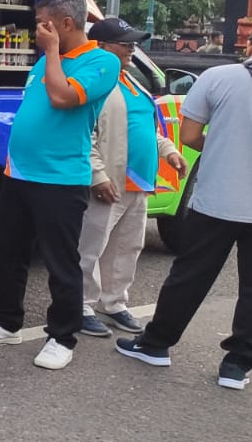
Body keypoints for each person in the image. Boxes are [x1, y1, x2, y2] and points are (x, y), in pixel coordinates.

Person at [118, 22, 252, 390]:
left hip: (217, 202)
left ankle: (156, 345)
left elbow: (191, 136)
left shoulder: (219, 77)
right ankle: (236, 366)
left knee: (190, 275)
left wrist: (227, 147)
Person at [0, 0, 121, 370]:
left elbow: (62, 99)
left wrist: (54, 53)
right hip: (19, 173)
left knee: (61, 261)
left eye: (44, 23)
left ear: (66, 23)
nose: (37, 30)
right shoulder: (45, 61)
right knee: (10, 252)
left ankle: (62, 336)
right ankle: (7, 320)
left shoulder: (102, 62)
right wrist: (51, 56)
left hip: (60, 178)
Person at [78, 18, 187, 338]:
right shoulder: (96, 83)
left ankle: (113, 303)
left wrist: (168, 150)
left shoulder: (130, 81)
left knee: (128, 246)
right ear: (101, 47)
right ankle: (81, 304)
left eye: (132, 44)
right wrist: (97, 176)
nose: (131, 50)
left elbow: (147, 128)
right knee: (90, 247)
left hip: (138, 183)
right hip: (109, 181)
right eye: (125, 44)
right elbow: (85, 137)